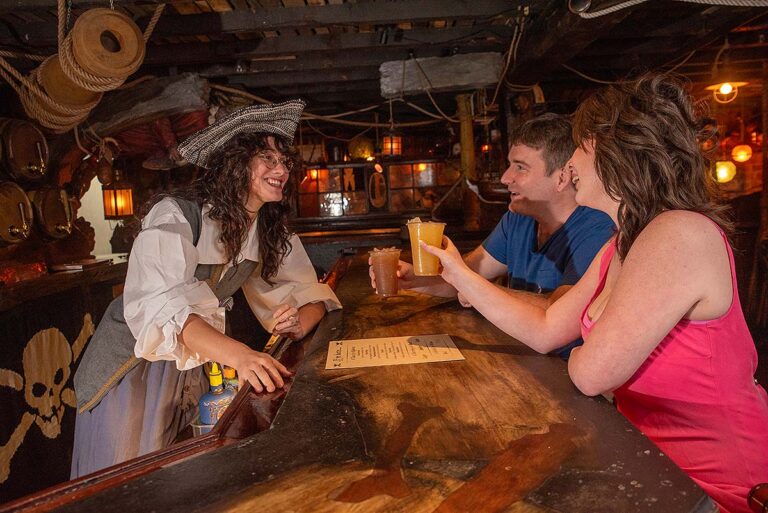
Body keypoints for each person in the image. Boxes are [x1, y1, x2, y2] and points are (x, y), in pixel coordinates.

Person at [422, 74, 768, 513]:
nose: (570, 165)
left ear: (613, 152)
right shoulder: (621, 242)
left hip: (720, 489)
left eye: (579, 148)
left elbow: (591, 373)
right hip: (651, 471)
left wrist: (585, 343)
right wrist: (458, 273)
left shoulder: (678, 233)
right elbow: (548, 329)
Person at [72, 100, 342, 477]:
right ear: (235, 162)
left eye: (284, 160)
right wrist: (243, 357)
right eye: (266, 157)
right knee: (127, 480)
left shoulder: (264, 226)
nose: (281, 169)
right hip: (134, 369)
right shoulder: (176, 215)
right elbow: (164, 310)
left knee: (180, 475)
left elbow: (308, 292)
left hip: (193, 367)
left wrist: (302, 319)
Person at [372, 113, 614, 358]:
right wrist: (413, 278)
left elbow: (557, 313)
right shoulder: (518, 219)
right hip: (517, 357)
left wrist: (475, 289)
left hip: (563, 375)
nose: (505, 178)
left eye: (520, 167)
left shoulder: (597, 229)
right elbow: (466, 275)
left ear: (562, 175)